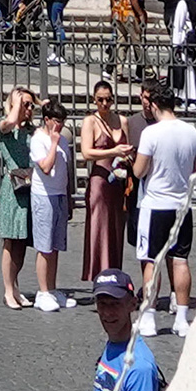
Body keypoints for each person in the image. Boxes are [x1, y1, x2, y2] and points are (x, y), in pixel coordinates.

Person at [132, 78, 196, 334]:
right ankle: (182, 319)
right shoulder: (192, 132)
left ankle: (149, 317)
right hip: (182, 204)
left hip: (156, 204)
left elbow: (139, 171)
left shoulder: (151, 133)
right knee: (180, 260)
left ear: (154, 105)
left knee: (152, 260)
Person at [78, 78, 138, 285]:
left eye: (108, 100)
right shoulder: (90, 122)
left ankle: (113, 274)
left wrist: (126, 157)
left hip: (118, 183)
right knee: (98, 228)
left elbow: (127, 147)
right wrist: (113, 151)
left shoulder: (122, 121)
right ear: (94, 100)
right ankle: (98, 275)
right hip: (100, 182)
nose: (104, 104)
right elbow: (86, 152)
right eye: (100, 100)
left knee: (116, 230)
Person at [89, 270, 163, 391]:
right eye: (102, 304)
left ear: (132, 304)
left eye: (115, 304)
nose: (107, 313)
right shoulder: (115, 344)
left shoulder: (140, 367)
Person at [0, 87, 42, 310]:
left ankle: (15, 286)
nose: (29, 109)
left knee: (22, 241)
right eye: (26, 104)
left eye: (31, 105)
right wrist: (16, 105)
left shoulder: (33, 131)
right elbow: (8, 123)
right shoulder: (5, 128)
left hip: (30, 185)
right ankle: (7, 290)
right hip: (12, 188)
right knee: (10, 240)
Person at [27, 99, 76, 307]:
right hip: (43, 195)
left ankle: (52, 288)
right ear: (47, 120)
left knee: (55, 245)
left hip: (59, 195)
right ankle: (43, 291)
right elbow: (46, 167)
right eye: (57, 121)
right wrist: (54, 143)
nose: (60, 125)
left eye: (63, 121)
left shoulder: (64, 140)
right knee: (44, 245)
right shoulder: (39, 140)